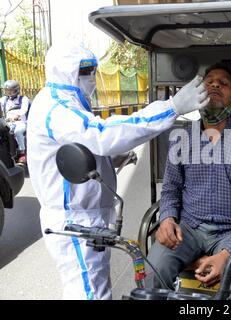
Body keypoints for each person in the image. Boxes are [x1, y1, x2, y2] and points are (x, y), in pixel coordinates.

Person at [26, 43, 209, 300]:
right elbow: (101, 135)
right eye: (86, 70)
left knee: (97, 290)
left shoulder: (71, 103)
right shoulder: (56, 108)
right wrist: (171, 107)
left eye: (93, 69)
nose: (92, 77)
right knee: (89, 295)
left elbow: (84, 148)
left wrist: (109, 160)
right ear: (67, 71)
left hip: (88, 220)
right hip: (75, 222)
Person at [145, 64, 231, 299]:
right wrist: (166, 218)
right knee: (153, 269)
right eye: (209, 81)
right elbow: (171, 189)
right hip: (189, 229)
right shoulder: (182, 139)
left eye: (223, 83)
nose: (215, 84)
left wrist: (227, 254)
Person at [0, 80, 31, 164]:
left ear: (16, 90)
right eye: (7, 90)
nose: (8, 92)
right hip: (8, 122)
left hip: (21, 122)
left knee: (17, 132)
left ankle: (22, 153)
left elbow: (24, 110)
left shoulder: (23, 99)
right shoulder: (3, 100)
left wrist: (16, 116)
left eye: (10, 90)